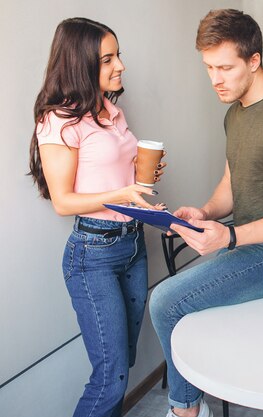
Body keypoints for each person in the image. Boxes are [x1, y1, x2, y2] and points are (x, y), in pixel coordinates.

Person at [149, 9, 263, 417]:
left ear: (254, 60)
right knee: (179, 305)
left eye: (225, 67)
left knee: (165, 302)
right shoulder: (236, 113)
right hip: (251, 244)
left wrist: (228, 237)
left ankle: (186, 411)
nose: (215, 79)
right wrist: (206, 210)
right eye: (209, 68)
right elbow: (231, 185)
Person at [29, 17, 165, 417]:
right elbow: (63, 201)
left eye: (117, 55)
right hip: (93, 255)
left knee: (121, 362)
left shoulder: (111, 111)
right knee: (111, 375)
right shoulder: (58, 120)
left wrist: (141, 186)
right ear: (80, 63)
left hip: (133, 245)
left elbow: (118, 179)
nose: (120, 65)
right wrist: (122, 193)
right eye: (108, 59)